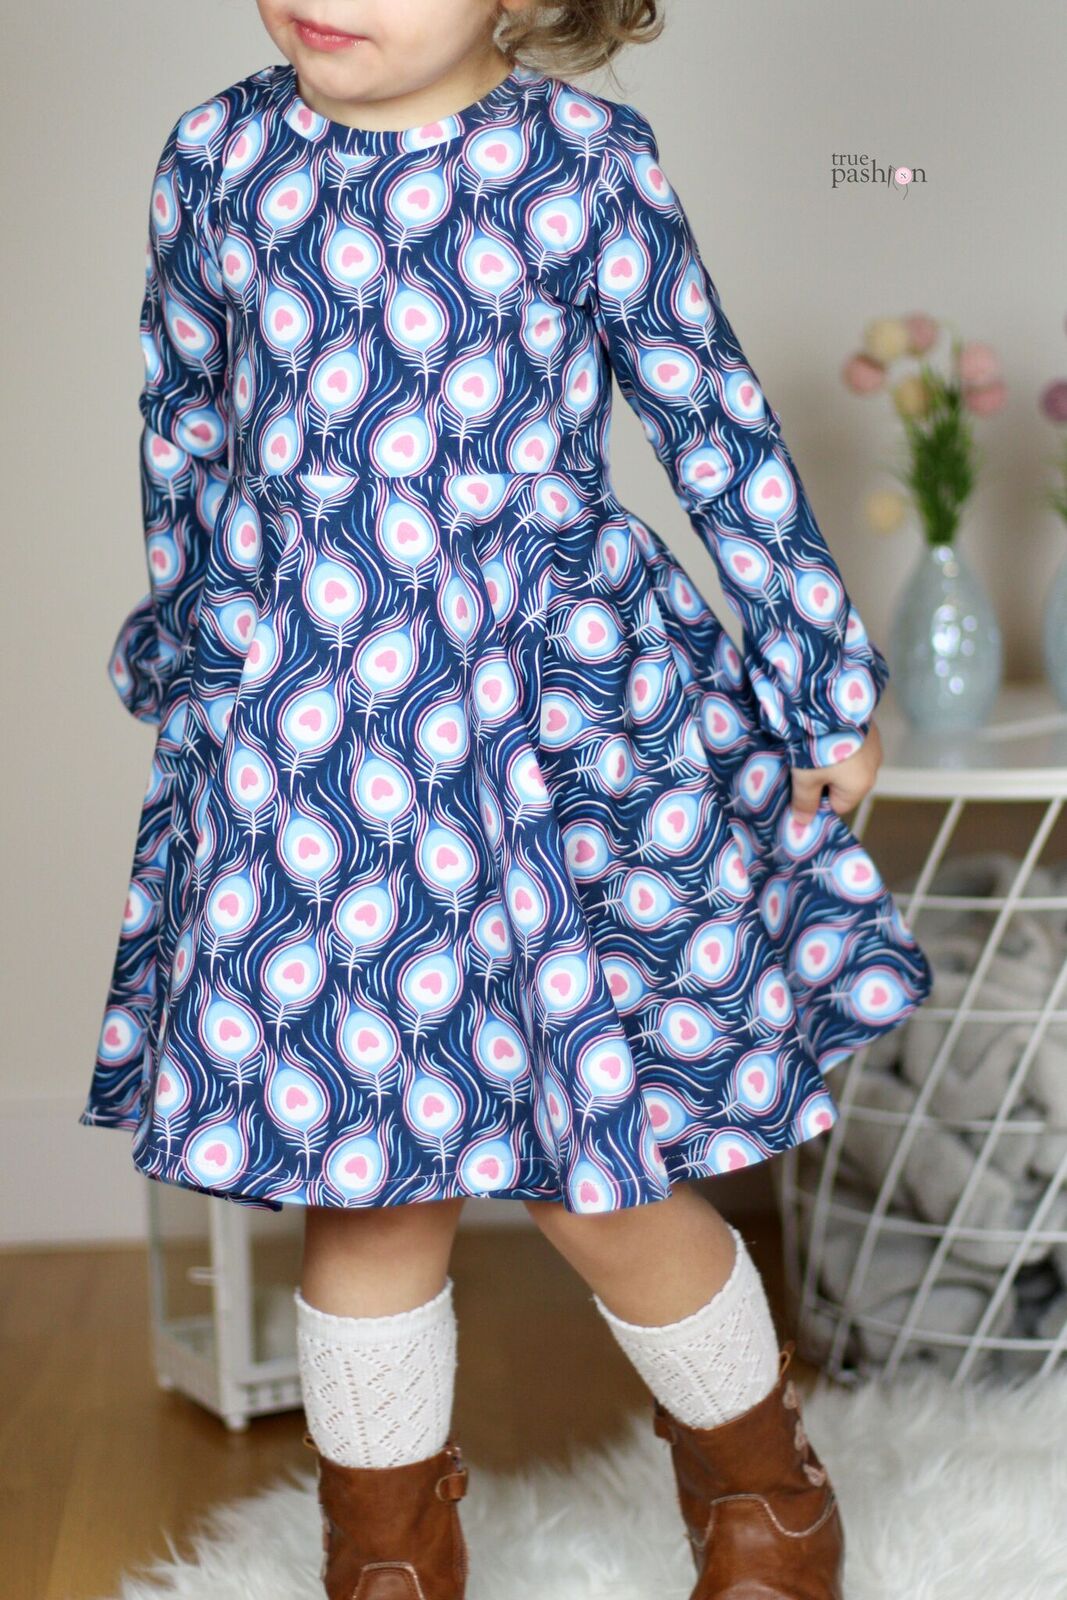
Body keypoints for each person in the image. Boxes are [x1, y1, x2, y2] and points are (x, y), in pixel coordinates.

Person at [81, 2, 935, 1594]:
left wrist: (818, 665)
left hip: (547, 727)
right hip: (316, 736)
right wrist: (196, 643)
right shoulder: (216, 155)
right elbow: (184, 423)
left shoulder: (585, 158)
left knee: (595, 1173)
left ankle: (765, 1495)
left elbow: (707, 413)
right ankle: (388, 1556)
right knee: (363, 1187)